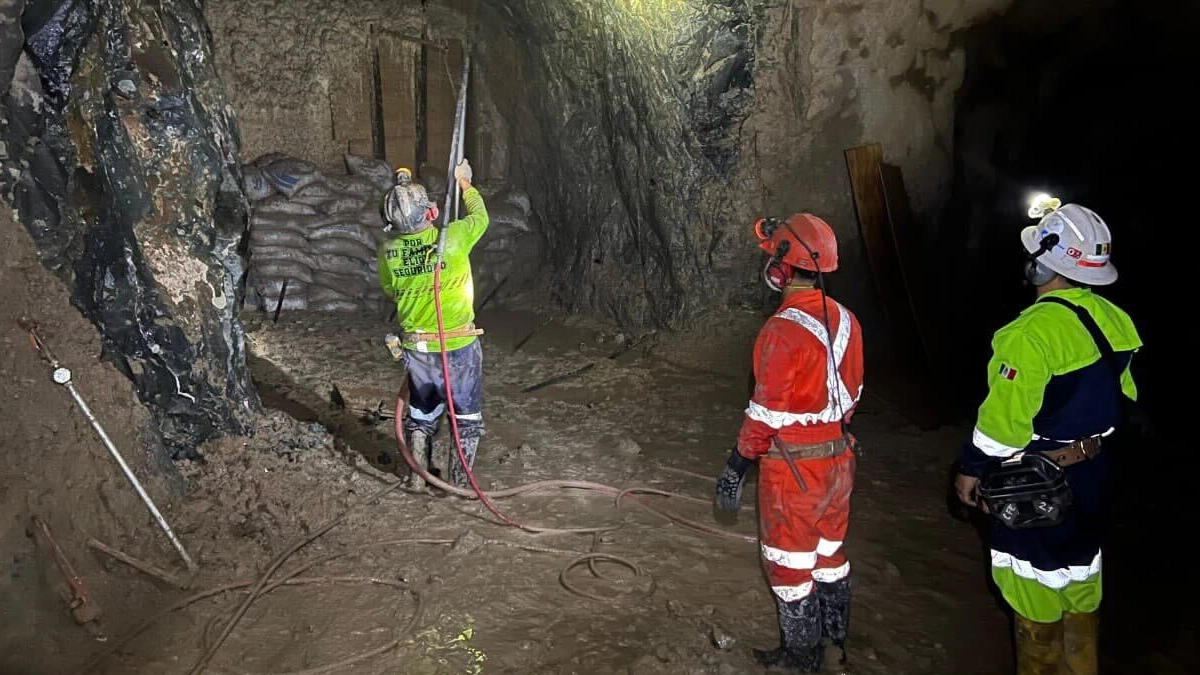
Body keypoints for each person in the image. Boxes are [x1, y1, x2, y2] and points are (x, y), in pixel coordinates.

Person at [953, 200, 1142, 675]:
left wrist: (971, 469)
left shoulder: (1027, 335)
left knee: (1032, 585)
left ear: (1039, 267)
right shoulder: (1116, 320)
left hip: (1036, 483)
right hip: (1094, 472)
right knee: (1081, 578)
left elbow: (1003, 427)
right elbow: (1125, 398)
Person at [714, 214, 864, 672]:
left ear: (781, 268)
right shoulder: (848, 321)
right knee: (829, 557)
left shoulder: (781, 330)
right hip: (839, 460)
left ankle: (801, 659)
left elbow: (765, 414)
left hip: (795, 470)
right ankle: (835, 645)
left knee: (788, 564)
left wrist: (737, 465)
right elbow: (853, 395)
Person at [378, 160, 488, 489]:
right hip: (460, 347)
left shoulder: (389, 252)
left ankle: (418, 478)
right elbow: (480, 217)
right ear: (432, 212)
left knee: (422, 415)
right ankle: (459, 486)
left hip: (419, 350)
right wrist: (465, 183)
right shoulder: (453, 237)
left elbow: (391, 290)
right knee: (465, 420)